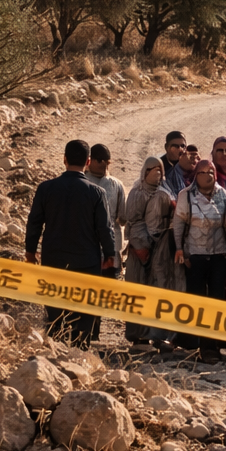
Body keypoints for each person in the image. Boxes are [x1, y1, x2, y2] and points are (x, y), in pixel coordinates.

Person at [24, 139, 117, 347]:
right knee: (84, 315)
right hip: (87, 263)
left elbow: (34, 223)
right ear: (88, 161)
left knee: (55, 315)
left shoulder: (46, 188)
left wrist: (30, 252)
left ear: (64, 160)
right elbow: (105, 228)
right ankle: (79, 355)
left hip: (54, 261)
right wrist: (110, 255)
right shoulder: (96, 193)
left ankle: (55, 354)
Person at [173, 159, 226, 362]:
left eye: (210, 172)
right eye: (202, 172)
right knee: (197, 300)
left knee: (216, 300)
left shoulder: (223, 195)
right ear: (195, 175)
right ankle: (196, 345)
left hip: (218, 256)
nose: (207, 176)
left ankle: (212, 347)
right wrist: (180, 250)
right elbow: (179, 224)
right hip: (195, 256)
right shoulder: (186, 195)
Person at [122, 156, 166, 344]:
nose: (156, 172)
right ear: (145, 172)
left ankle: (156, 335)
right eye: (152, 169)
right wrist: (142, 247)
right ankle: (138, 335)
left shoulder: (164, 192)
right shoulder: (137, 193)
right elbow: (133, 221)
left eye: (159, 168)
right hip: (139, 251)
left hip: (159, 250)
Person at [143, 160, 185, 350]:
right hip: (164, 247)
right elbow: (153, 226)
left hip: (175, 246)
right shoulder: (160, 194)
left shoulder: (173, 189)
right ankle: (159, 336)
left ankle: (173, 336)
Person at [85, 143, 127, 276]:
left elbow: (123, 218)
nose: (103, 165)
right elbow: (123, 218)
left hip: (109, 250)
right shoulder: (83, 182)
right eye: (100, 161)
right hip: (89, 248)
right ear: (90, 160)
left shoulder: (117, 184)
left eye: (107, 162)